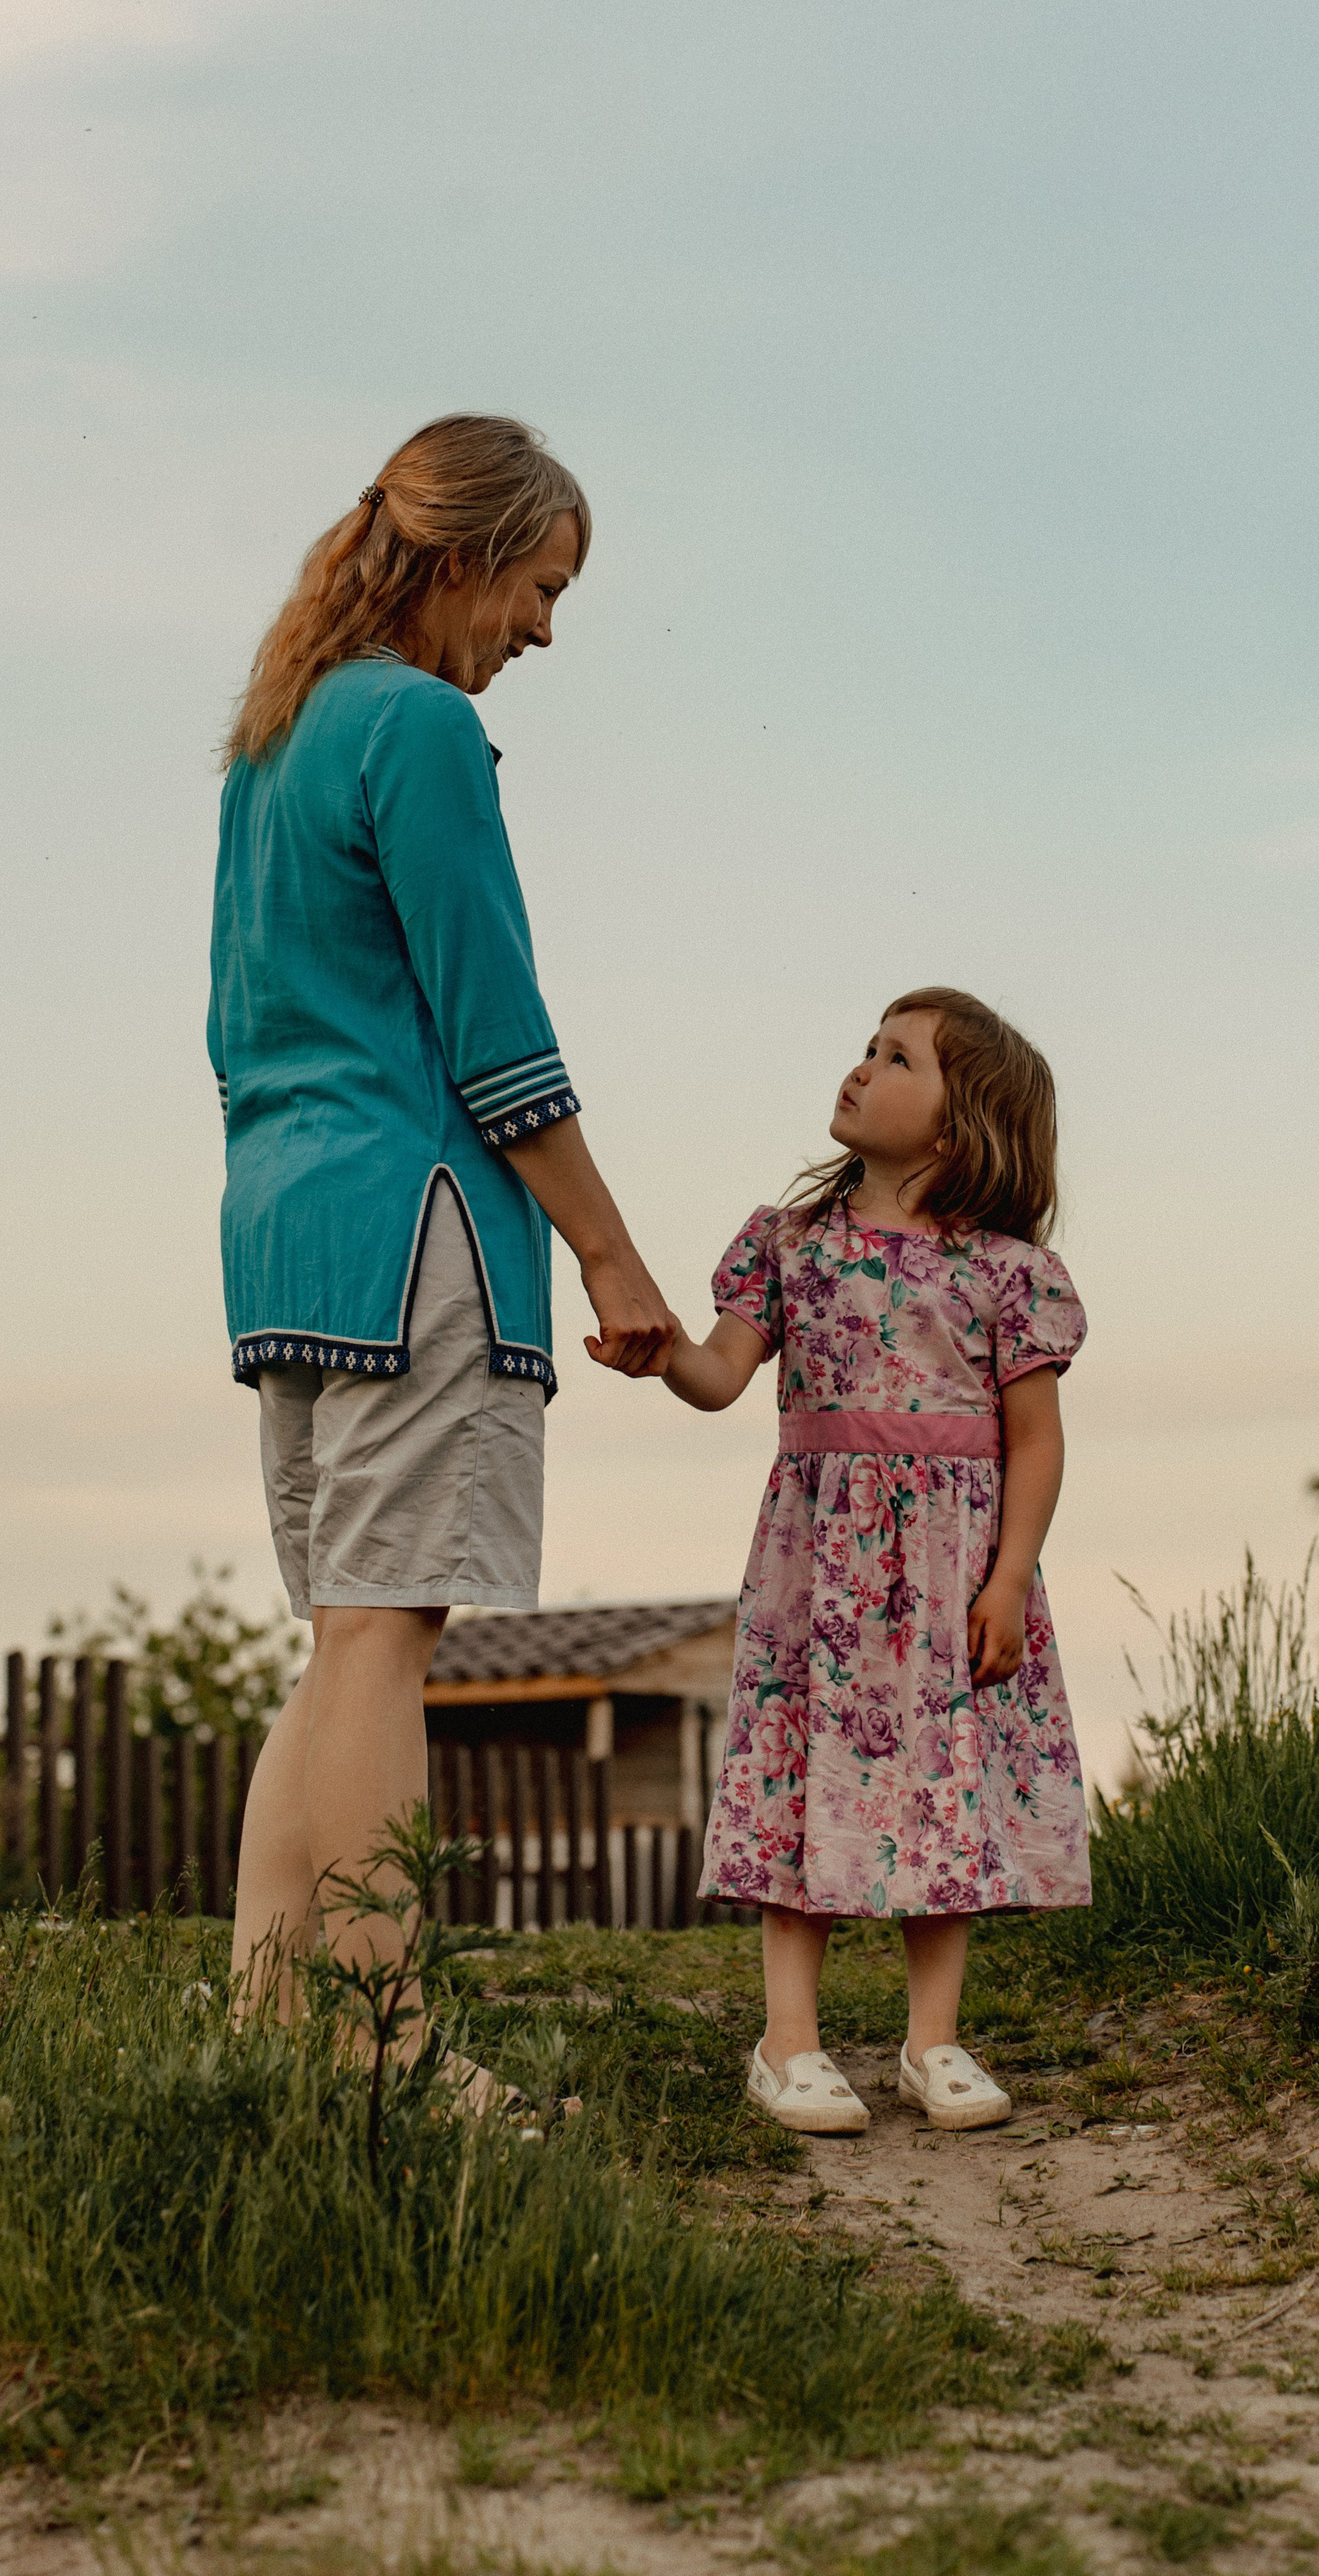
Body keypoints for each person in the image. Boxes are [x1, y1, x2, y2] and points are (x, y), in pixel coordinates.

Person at [208, 414, 675, 2081]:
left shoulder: (278, 740)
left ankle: (275, 2025)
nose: (542, 629)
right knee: (384, 1637)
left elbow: (242, 1028)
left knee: (346, 1637)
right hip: (421, 1231)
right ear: (464, 557)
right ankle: (384, 2041)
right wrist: (610, 1256)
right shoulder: (418, 725)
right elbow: (496, 1036)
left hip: (285, 1234)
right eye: (540, 587)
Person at [660, 988, 1088, 2134]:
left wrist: (1009, 1577)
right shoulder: (793, 1244)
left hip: (952, 1574)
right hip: (823, 1575)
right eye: (868, 1046)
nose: (861, 1067)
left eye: (897, 1058)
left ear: (961, 1122)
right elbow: (719, 1374)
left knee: (942, 1784)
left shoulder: (1006, 1272)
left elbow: (1038, 1441)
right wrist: (665, 1354)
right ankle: (788, 2043)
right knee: (798, 1774)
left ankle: (931, 2041)